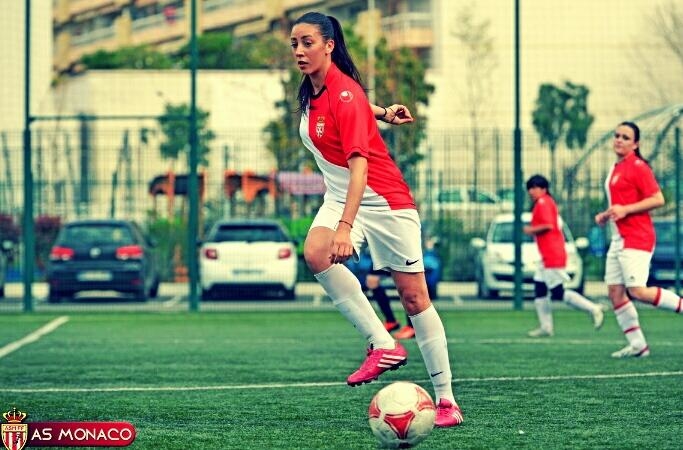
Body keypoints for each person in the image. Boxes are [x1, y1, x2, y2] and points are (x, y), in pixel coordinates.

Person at [290, 12, 463, 427]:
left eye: (308, 42)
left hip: (384, 202)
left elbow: (360, 166)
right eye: (294, 43)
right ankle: (382, 343)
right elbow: (344, 109)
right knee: (315, 253)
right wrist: (383, 112)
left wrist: (346, 228)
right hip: (341, 195)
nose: (299, 51)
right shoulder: (315, 89)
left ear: (329, 45)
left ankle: (446, 402)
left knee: (414, 299)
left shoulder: (345, 92)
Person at [595, 121, 682, 358]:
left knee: (638, 291)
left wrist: (625, 210)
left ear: (635, 144)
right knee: (615, 293)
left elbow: (658, 198)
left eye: (625, 137)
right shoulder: (617, 167)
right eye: (617, 135)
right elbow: (621, 204)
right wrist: (607, 214)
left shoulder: (638, 166)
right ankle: (638, 345)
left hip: (637, 237)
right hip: (619, 239)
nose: (619, 140)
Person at [523, 174, 604, 337]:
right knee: (540, 288)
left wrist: (530, 230)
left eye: (534, 188)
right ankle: (546, 327)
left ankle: (593, 308)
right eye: (529, 188)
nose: (531, 191)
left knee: (557, 292)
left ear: (543, 189)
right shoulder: (545, 202)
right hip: (547, 255)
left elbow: (548, 225)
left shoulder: (543, 202)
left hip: (552, 254)